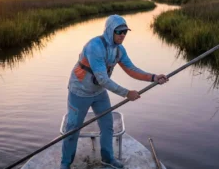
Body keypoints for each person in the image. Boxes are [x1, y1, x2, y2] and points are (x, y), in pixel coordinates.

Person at [60, 14, 168, 169]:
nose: (123, 35)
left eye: (125, 32)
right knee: (73, 128)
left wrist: (154, 77)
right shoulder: (94, 47)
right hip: (79, 92)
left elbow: (131, 69)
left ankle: (107, 158)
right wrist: (126, 93)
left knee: (107, 125)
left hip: (98, 92)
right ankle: (65, 163)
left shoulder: (119, 50)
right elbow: (103, 79)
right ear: (110, 31)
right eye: (119, 31)